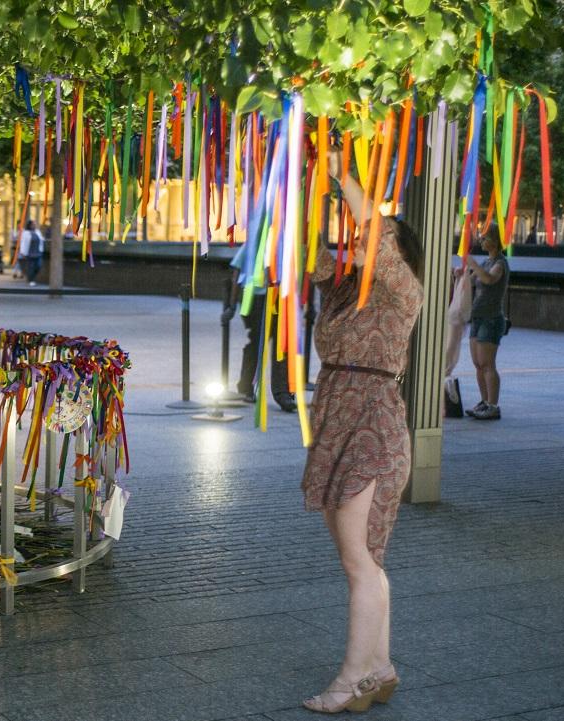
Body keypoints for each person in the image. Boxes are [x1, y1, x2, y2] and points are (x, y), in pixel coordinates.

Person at [299, 152, 424, 713]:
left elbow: (373, 227)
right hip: (334, 419)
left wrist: (340, 172)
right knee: (366, 561)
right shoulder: (345, 289)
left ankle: (353, 678)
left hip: (373, 425)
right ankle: (380, 666)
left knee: (359, 562)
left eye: (377, 238)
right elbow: (304, 247)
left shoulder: (405, 292)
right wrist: (304, 177)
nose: (359, 237)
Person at [229, 245, 296, 412]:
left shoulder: (284, 242)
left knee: (281, 345)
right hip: (255, 298)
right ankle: (246, 386)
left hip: (279, 298)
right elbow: (236, 271)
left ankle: (283, 393)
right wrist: (232, 303)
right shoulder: (252, 241)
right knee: (257, 341)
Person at [464, 227, 509, 420]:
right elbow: (473, 280)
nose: (482, 241)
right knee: (477, 364)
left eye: (485, 238)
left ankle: (493, 405)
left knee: (487, 363)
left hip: (491, 319)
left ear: (495, 241)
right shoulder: (486, 261)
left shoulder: (500, 263)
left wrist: (473, 264)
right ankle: (484, 401)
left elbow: (489, 279)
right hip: (478, 317)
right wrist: (463, 273)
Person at [18, 220, 44, 286]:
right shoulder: (26, 233)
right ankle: (31, 280)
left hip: (38, 252)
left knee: (38, 266)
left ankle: (32, 278)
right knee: (31, 267)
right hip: (30, 253)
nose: (34, 225)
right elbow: (23, 242)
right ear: (29, 225)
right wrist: (22, 252)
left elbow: (41, 240)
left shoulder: (38, 232)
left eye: (35, 224)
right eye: (33, 224)